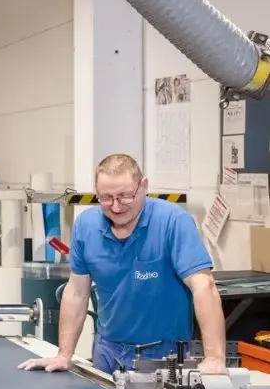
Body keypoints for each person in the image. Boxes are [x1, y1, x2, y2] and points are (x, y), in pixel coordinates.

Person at [19, 154, 226, 375]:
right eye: (106, 198)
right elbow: (77, 292)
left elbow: (204, 286)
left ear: (143, 186)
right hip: (107, 352)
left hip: (165, 357)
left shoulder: (173, 222)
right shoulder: (86, 226)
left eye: (125, 196)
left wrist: (214, 357)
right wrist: (64, 354)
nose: (116, 206)